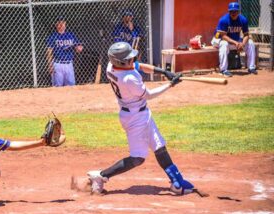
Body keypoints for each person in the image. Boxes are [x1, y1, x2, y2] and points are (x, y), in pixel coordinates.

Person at [73, 42, 194, 196]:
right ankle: (102, 176)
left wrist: (163, 71)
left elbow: (139, 65)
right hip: (135, 118)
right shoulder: (128, 78)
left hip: (139, 113)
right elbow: (149, 95)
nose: (132, 60)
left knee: (159, 146)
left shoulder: (112, 66)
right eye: (129, 58)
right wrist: (170, 84)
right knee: (138, 158)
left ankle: (177, 182)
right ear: (121, 62)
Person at [211, 2, 257, 77]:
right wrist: (236, 43)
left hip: (234, 41)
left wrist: (242, 44)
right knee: (223, 44)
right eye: (231, 11)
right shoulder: (224, 20)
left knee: (250, 43)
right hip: (219, 39)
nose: (233, 13)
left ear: (238, 11)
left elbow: (246, 35)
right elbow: (223, 36)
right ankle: (223, 70)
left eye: (235, 11)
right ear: (229, 11)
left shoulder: (243, 20)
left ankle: (251, 67)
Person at [46, 16, 83, 87]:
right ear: (56, 25)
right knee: (58, 87)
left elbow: (78, 47)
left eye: (63, 23)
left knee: (71, 86)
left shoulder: (71, 35)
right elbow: (49, 52)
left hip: (69, 64)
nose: (61, 25)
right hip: (57, 64)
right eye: (59, 23)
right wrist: (50, 65)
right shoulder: (53, 36)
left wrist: (79, 48)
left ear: (65, 24)